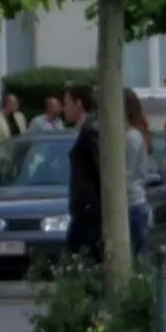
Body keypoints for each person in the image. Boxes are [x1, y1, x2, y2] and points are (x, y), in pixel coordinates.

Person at [63, 82, 101, 262]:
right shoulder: (87, 129)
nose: (64, 108)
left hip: (89, 211)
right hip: (86, 209)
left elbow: (99, 167)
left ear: (79, 104)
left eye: (67, 103)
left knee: (80, 255)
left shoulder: (90, 130)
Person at [124, 87, 152, 260]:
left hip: (132, 203)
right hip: (137, 202)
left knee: (137, 257)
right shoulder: (136, 134)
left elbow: (125, 172)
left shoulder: (131, 137)